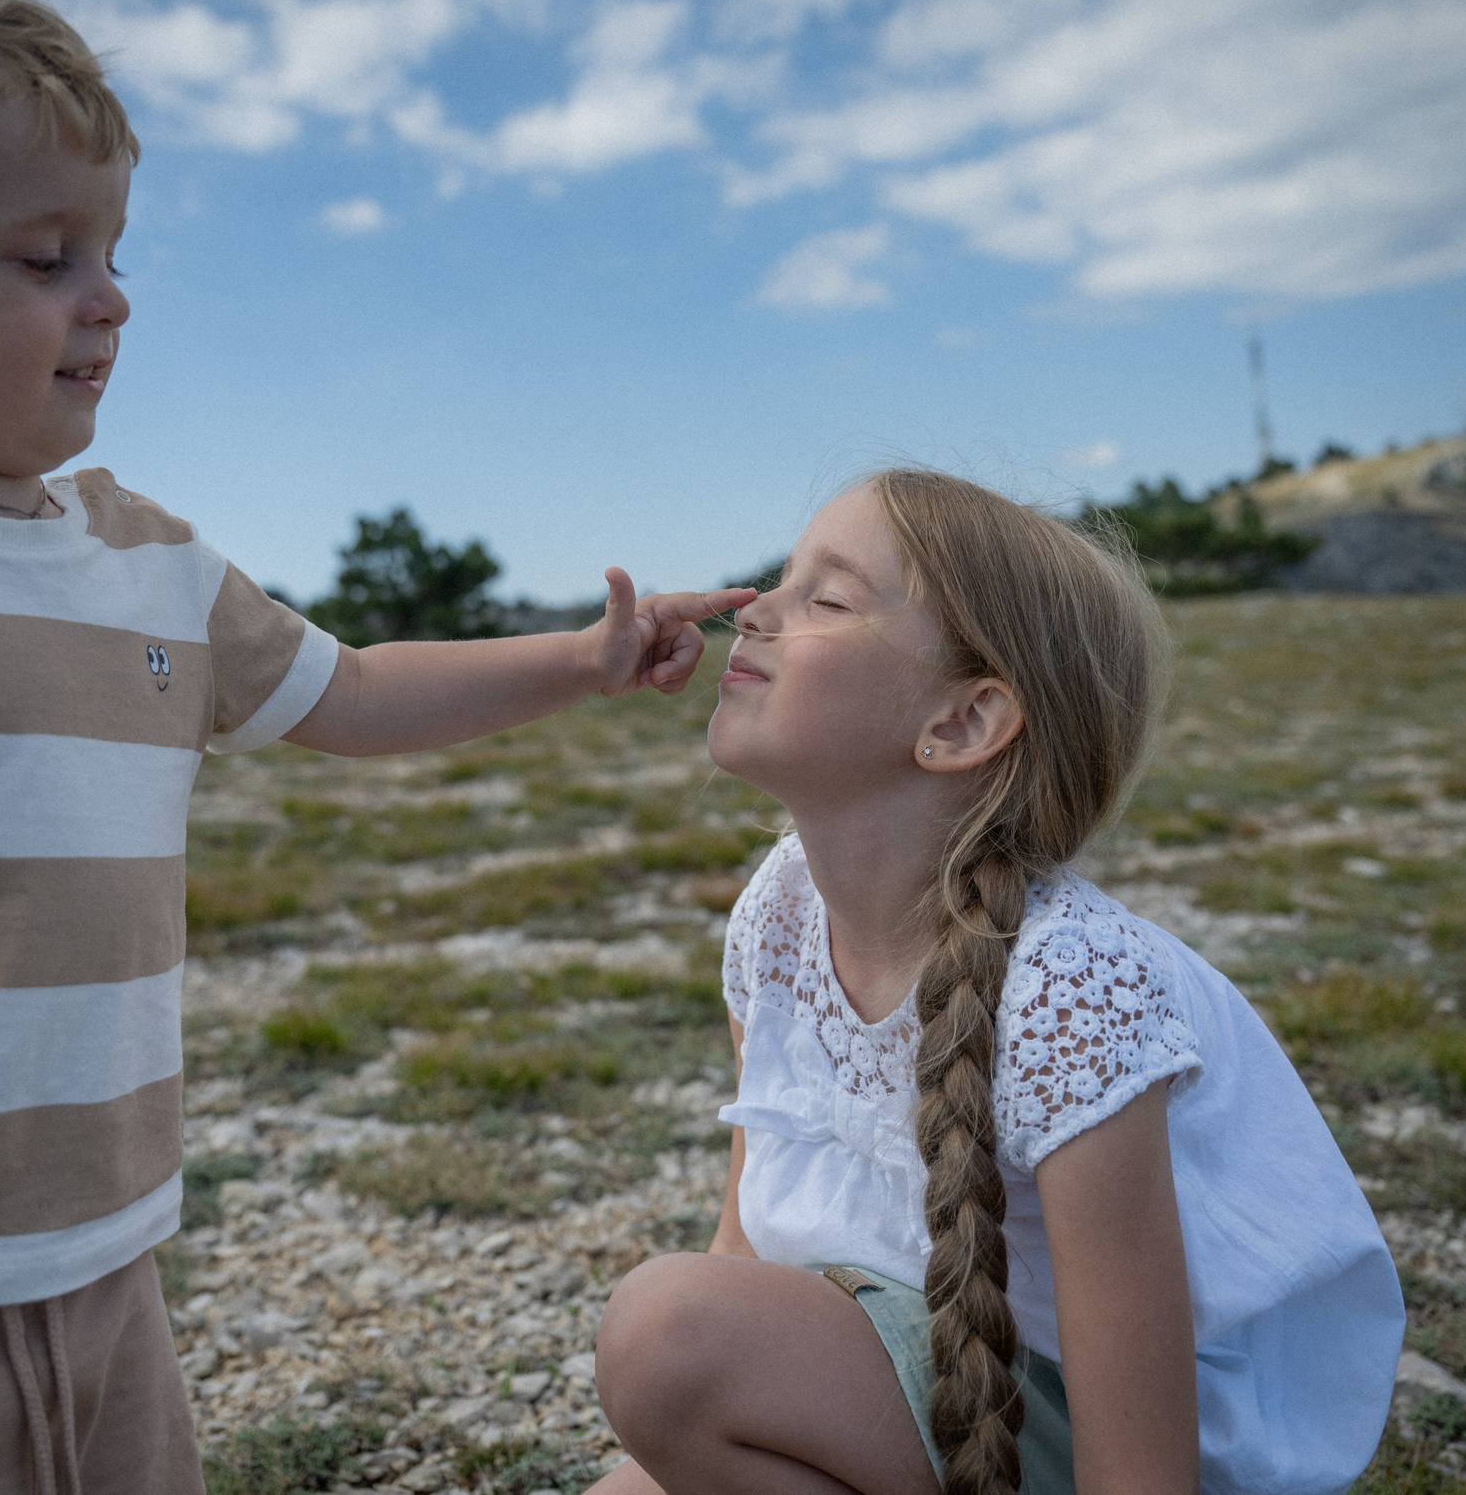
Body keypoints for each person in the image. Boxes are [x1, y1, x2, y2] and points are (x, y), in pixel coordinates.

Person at [0, 0, 750, 1495]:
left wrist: (580, 659)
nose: (111, 297)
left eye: (112, 250)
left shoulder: (150, 565)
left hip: (105, 1263)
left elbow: (364, 691)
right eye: (46, 256)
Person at [590, 471, 1401, 1495]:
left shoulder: (1068, 987)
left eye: (824, 599)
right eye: (779, 582)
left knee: (667, 1337)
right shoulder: (779, 912)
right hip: (917, 1367)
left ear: (964, 723)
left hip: (1062, 1430)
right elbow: (747, 1238)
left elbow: (1142, 1466)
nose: (753, 610)